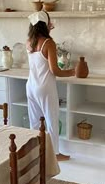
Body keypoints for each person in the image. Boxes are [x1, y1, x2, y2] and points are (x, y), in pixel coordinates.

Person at [26, 10, 75, 161]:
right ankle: (54, 155)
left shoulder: (28, 41)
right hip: (45, 87)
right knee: (52, 119)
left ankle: (34, 152)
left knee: (34, 121)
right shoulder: (48, 43)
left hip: (31, 86)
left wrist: (47, 28)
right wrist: (73, 72)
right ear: (45, 24)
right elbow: (55, 70)